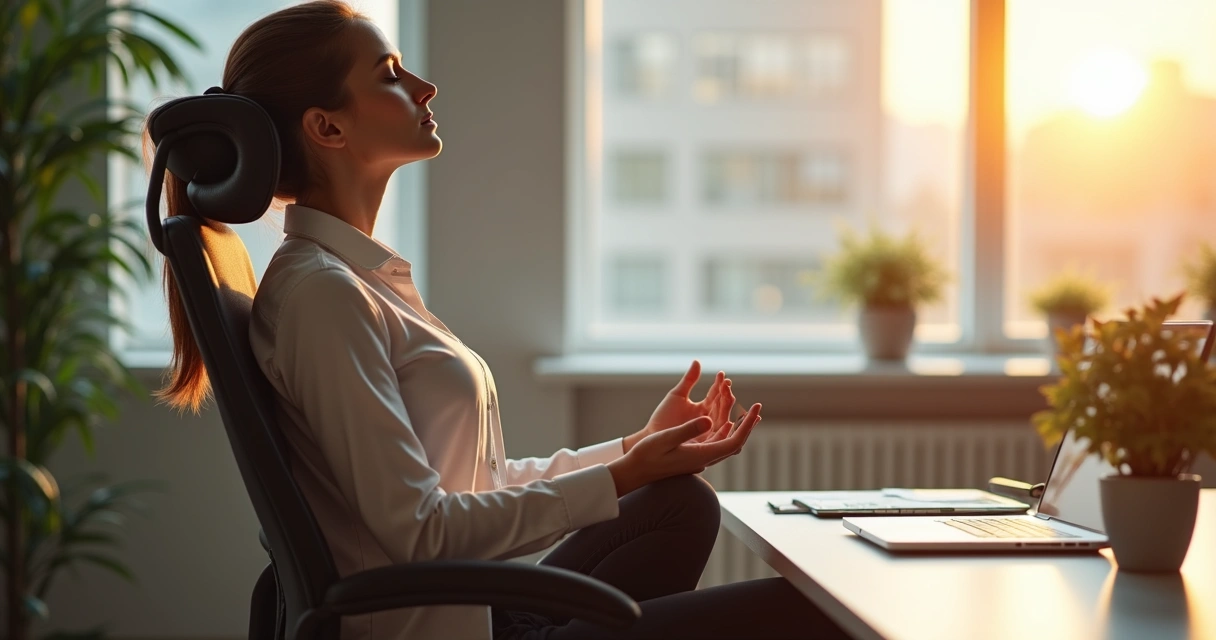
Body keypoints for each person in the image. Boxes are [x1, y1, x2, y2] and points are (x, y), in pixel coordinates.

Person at [149, 2, 849, 638]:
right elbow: (421, 534)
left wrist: (633, 452)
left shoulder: (359, 281)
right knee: (817, 613)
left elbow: (471, 487)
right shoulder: (323, 297)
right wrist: (621, 475)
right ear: (327, 126)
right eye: (390, 75)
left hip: (479, 609)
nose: (425, 87)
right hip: (444, 628)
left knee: (679, 503)